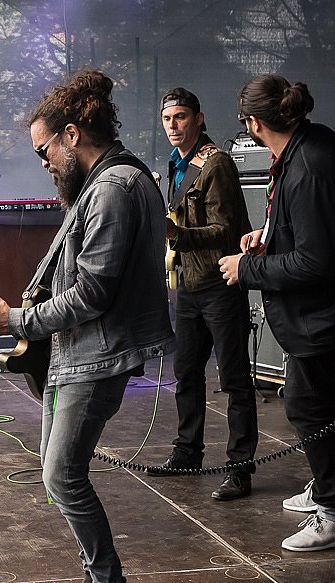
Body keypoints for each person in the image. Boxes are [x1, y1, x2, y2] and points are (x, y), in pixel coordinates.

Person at [0, 68, 174, 583]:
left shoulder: (114, 188)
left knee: (63, 475)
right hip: (76, 353)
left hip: (96, 356)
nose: (42, 162)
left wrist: (20, 321)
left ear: (71, 134)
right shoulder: (103, 183)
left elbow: (92, 293)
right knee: (56, 471)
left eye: (44, 150)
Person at [219, 75, 335, 551]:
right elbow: (313, 228)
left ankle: (334, 514)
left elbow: (316, 262)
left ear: (253, 124)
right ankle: (332, 490)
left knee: (307, 401)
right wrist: (269, 235)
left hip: (333, 304)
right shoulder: (310, 143)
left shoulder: (309, 168)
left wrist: (248, 268)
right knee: (317, 397)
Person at [149, 87, 258, 501]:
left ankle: (240, 469)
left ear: (198, 119)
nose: (172, 125)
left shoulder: (217, 163)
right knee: (187, 374)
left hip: (220, 284)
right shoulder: (175, 164)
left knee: (234, 379)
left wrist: (178, 235)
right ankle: (187, 453)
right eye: (167, 119)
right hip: (189, 287)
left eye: (180, 117)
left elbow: (227, 231)